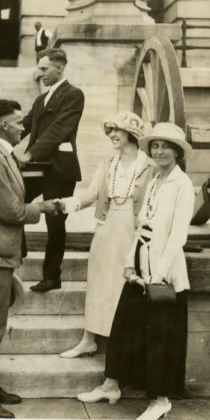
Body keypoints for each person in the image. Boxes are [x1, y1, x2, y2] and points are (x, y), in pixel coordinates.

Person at [76, 122, 195, 420]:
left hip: (163, 274)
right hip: (139, 265)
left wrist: (157, 276)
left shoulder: (182, 186)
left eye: (167, 146)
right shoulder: (155, 179)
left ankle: (161, 401)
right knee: (122, 329)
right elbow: (142, 226)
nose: (160, 151)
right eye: (155, 146)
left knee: (159, 338)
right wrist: (130, 262)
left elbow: (177, 237)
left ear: (178, 152)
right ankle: (110, 386)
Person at [0, 99, 59, 419]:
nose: (24, 126)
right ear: (3, 125)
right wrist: (44, 208)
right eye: (18, 122)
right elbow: (11, 211)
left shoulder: (0, 154)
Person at [57, 112, 156, 358]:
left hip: (133, 231)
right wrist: (68, 203)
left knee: (125, 284)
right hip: (107, 226)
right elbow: (91, 193)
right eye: (109, 131)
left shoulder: (149, 166)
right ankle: (88, 339)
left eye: (116, 130)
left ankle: (119, 344)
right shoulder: (107, 164)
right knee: (99, 281)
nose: (111, 135)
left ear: (131, 134)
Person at [16, 48, 85, 293]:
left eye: (44, 69)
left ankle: (52, 277)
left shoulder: (74, 95)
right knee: (15, 201)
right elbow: (21, 126)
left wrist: (30, 153)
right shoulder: (40, 100)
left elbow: (58, 130)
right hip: (39, 168)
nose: (39, 73)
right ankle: (19, 249)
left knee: (54, 224)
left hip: (59, 169)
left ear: (60, 67)